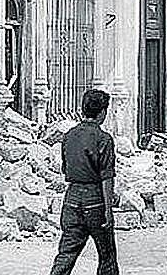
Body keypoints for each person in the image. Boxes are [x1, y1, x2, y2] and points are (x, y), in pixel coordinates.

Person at [49, 89, 119, 275]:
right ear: (103, 112)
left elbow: (65, 168)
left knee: (66, 254)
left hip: (71, 198)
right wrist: (108, 210)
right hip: (95, 199)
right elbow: (107, 177)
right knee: (107, 256)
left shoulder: (69, 135)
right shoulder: (104, 139)